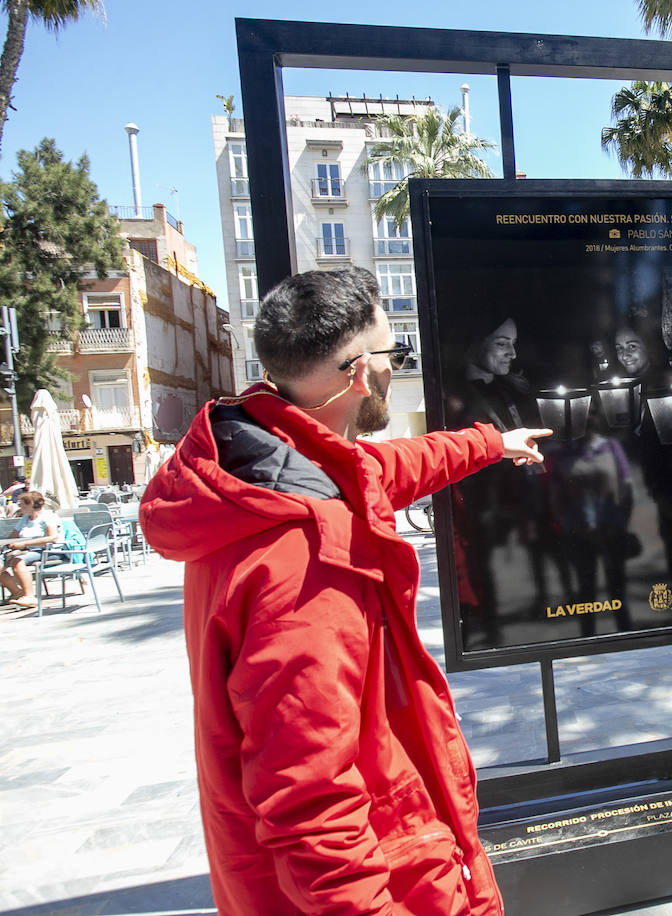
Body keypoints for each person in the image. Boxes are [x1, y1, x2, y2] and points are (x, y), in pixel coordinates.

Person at [140, 267, 550, 916]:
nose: (397, 367)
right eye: (395, 353)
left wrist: (491, 444)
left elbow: (391, 466)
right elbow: (313, 811)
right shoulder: (303, 559)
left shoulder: (259, 463)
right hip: (393, 880)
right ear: (362, 373)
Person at [0, 491, 62, 607]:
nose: (20, 506)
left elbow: (52, 538)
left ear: (31, 504)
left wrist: (24, 544)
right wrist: (11, 544)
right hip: (27, 550)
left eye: (22, 504)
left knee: (17, 561)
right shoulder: (25, 518)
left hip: (46, 551)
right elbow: (12, 537)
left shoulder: (48, 517)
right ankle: (17, 593)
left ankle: (30, 597)